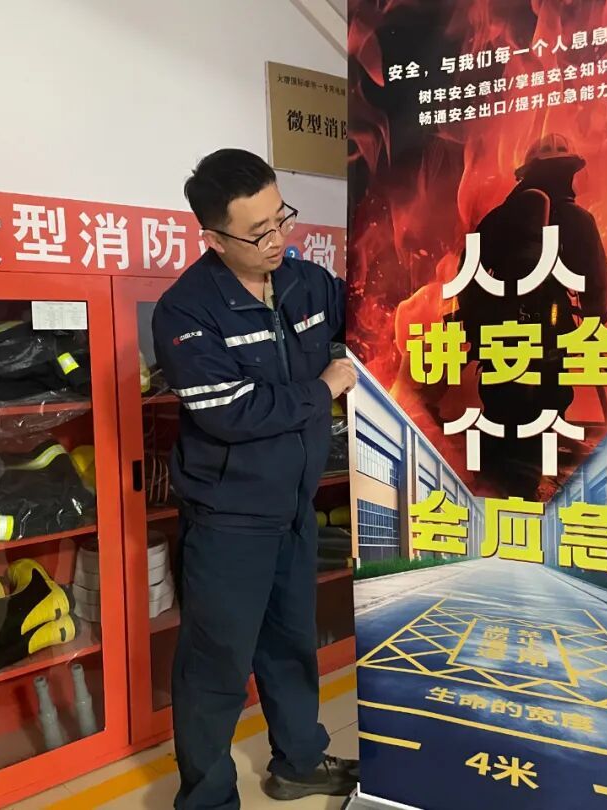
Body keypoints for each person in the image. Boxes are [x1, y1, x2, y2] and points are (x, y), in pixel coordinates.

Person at [152, 148, 358, 810]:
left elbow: (366, 317)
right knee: (215, 666)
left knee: (291, 644)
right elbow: (231, 412)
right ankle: (208, 800)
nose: (277, 240)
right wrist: (323, 388)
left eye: (281, 219)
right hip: (229, 518)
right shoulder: (186, 312)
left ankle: (298, 762)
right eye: (258, 232)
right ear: (213, 238)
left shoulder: (305, 283)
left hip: (294, 505)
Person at [454, 133, 607, 498]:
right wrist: (591, 322)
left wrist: (478, 331)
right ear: (570, 172)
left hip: (498, 340)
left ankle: (492, 491)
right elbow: (596, 285)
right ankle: (527, 496)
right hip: (550, 339)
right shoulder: (577, 220)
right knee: (545, 410)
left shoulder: (496, 219)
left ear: (526, 174)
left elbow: (467, 275)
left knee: (499, 412)